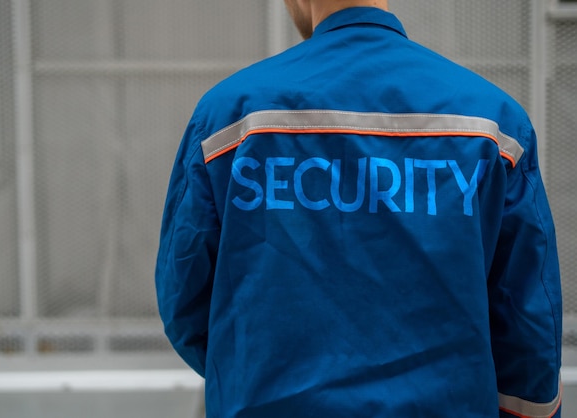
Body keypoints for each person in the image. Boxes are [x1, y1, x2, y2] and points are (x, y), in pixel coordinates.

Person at [155, 1, 563, 416]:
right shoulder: (494, 124)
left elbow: (185, 300)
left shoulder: (228, 118)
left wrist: (249, 377)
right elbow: (528, 322)